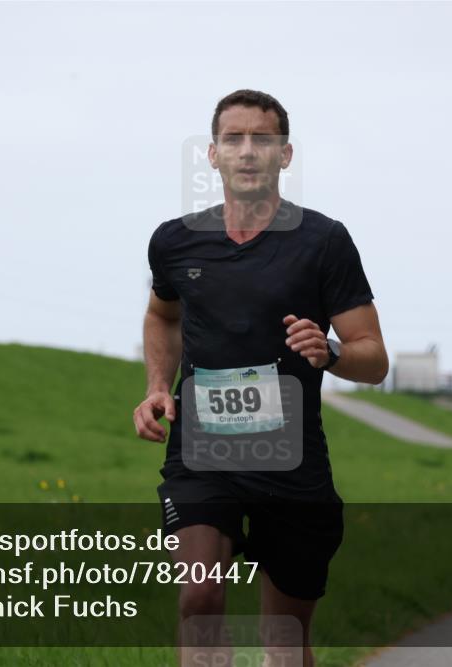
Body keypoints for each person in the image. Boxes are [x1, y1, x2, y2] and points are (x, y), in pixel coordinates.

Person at [133, 90, 388, 667]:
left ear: (285, 155)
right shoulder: (174, 241)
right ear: (213, 154)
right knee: (199, 598)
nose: (248, 151)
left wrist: (331, 353)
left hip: (291, 459)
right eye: (234, 138)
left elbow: (374, 357)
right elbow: (162, 315)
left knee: (284, 639)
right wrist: (155, 385)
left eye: (262, 140)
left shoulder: (323, 242)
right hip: (202, 452)